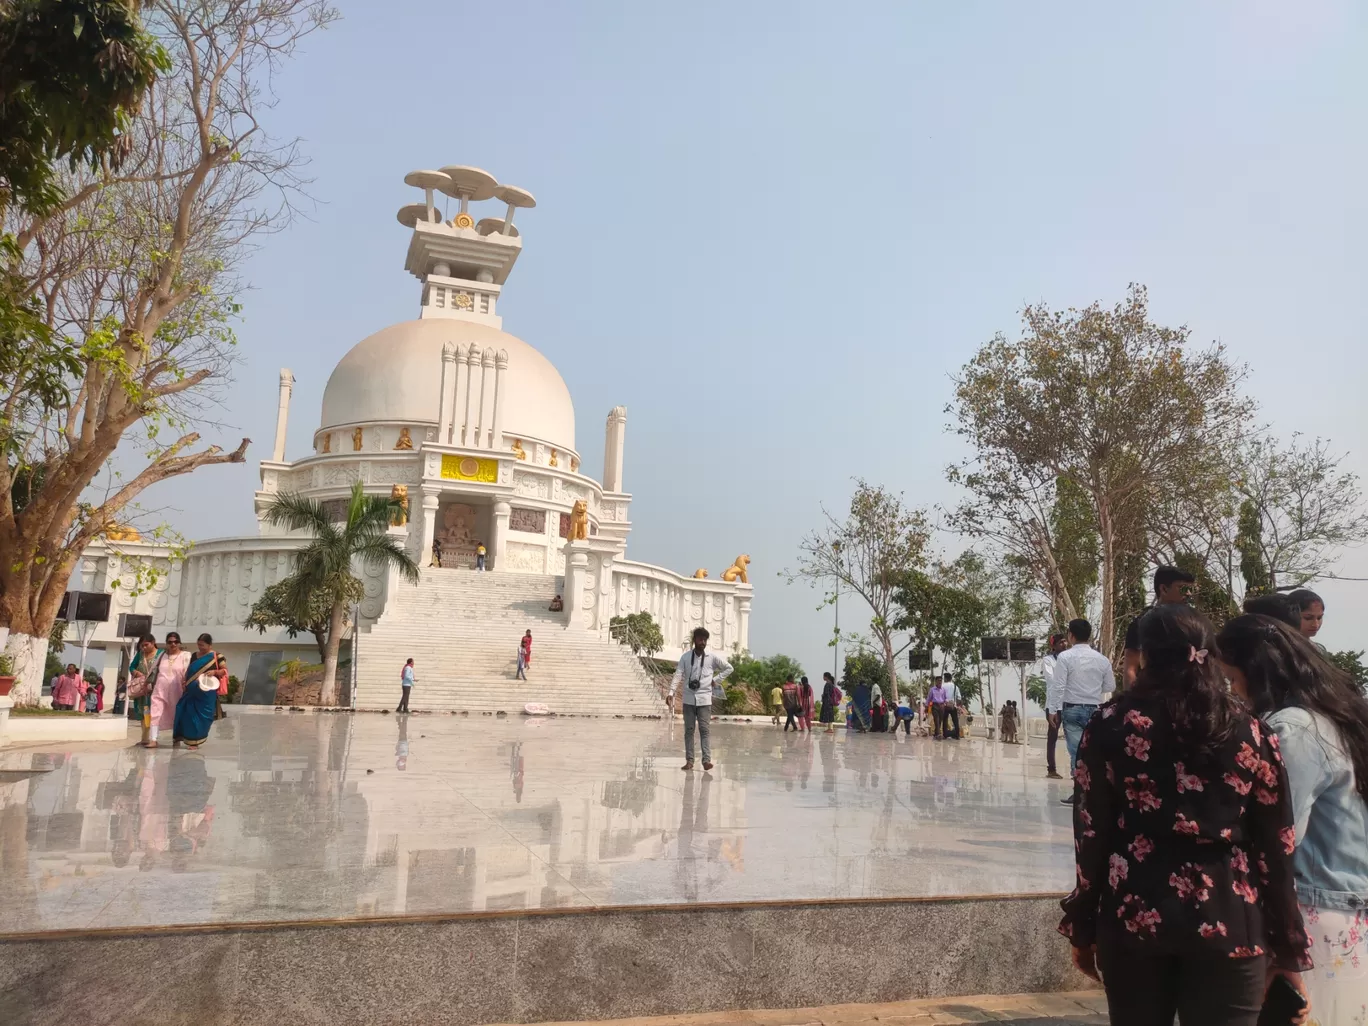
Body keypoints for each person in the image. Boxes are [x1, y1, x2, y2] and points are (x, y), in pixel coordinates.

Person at [1059, 604, 1312, 1026]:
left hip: (1133, 918)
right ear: (1208, 654)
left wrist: (1083, 925)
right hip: (1230, 917)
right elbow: (1276, 845)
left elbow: (1091, 834)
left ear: (1142, 656)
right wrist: (1288, 947)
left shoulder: (1108, 725)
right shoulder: (1250, 729)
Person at [1216, 614, 1368, 1024]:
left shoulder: (1292, 729)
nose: (1233, 691)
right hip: (1337, 906)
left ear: (1258, 673)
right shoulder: (1331, 717)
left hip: (1313, 909)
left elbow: (1278, 835)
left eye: (1232, 679)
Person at [1054, 618, 1114, 805]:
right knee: (1093, 752)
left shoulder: (1064, 657)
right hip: (1094, 710)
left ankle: (1079, 793)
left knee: (1076, 752)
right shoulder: (1102, 660)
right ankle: (1094, 792)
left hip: (1071, 709)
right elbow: (1110, 685)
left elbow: (1058, 686)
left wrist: (1054, 709)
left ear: (1071, 635)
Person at [1123, 565, 1196, 688]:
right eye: (1182, 588)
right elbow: (1130, 669)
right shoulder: (1141, 624)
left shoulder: (1192, 623)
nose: (1188, 594)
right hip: (1152, 698)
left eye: (1190, 590)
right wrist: (1131, 703)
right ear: (1164, 589)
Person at [671, 627, 732, 772]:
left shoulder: (711, 657)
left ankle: (706, 760)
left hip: (705, 700)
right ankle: (689, 761)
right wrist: (671, 692)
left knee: (705, 730)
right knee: (689, 731)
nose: (702, 642)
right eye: (700, 639)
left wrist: (715, 679)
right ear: (694, 640)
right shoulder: (685, 657)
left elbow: (729, 668)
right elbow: (678, 674)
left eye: (705, 640)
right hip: (689, 699)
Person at [173, 634, 227, 749]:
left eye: (202, 645)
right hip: (191, 690)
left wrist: (214, 672)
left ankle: (195, 742)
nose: (200, 647)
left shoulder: (217, 656)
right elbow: (189, 672)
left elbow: (224, 671)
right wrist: (185, 683)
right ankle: (181, 737)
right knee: (186, 714)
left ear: (209, 644)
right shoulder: (194, 656)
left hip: (206, 693)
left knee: (201, 718)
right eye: (198, 645)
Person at [144, 633, 190, 748]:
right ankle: (153, 739)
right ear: (166, 643)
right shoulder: (161, 656)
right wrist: (146, 684)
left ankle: (177, 738)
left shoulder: (185, 656)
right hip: (160, 689)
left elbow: (189, 672)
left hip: (177, 690)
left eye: (175, 642)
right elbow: (152, 671)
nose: (173, 644)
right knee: (155, 712)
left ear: (179, 643)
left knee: (177, 714)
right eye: (170, 642)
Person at [128, 634, 161, 741]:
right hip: (142, 691)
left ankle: (153, 738)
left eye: (146, 645)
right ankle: (145, 737)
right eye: (142, 646)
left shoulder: (161, 654)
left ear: (153, 642)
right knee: (143, 713)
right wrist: (136, 672)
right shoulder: (140, 654)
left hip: (156, 688)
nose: (144, 648)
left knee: (154, 713)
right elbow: (132, 666)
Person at [1043, 633, 1066, 778]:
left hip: (1069, 704)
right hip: (1054, 705)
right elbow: (1052, 681)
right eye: (1061, 643)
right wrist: (1053, 708)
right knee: (1052, 737)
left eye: (1065, 642)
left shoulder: (1069, 659)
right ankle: (1051, 769)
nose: (1064, 645)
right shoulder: (1048, 660)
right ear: (1054, 645)